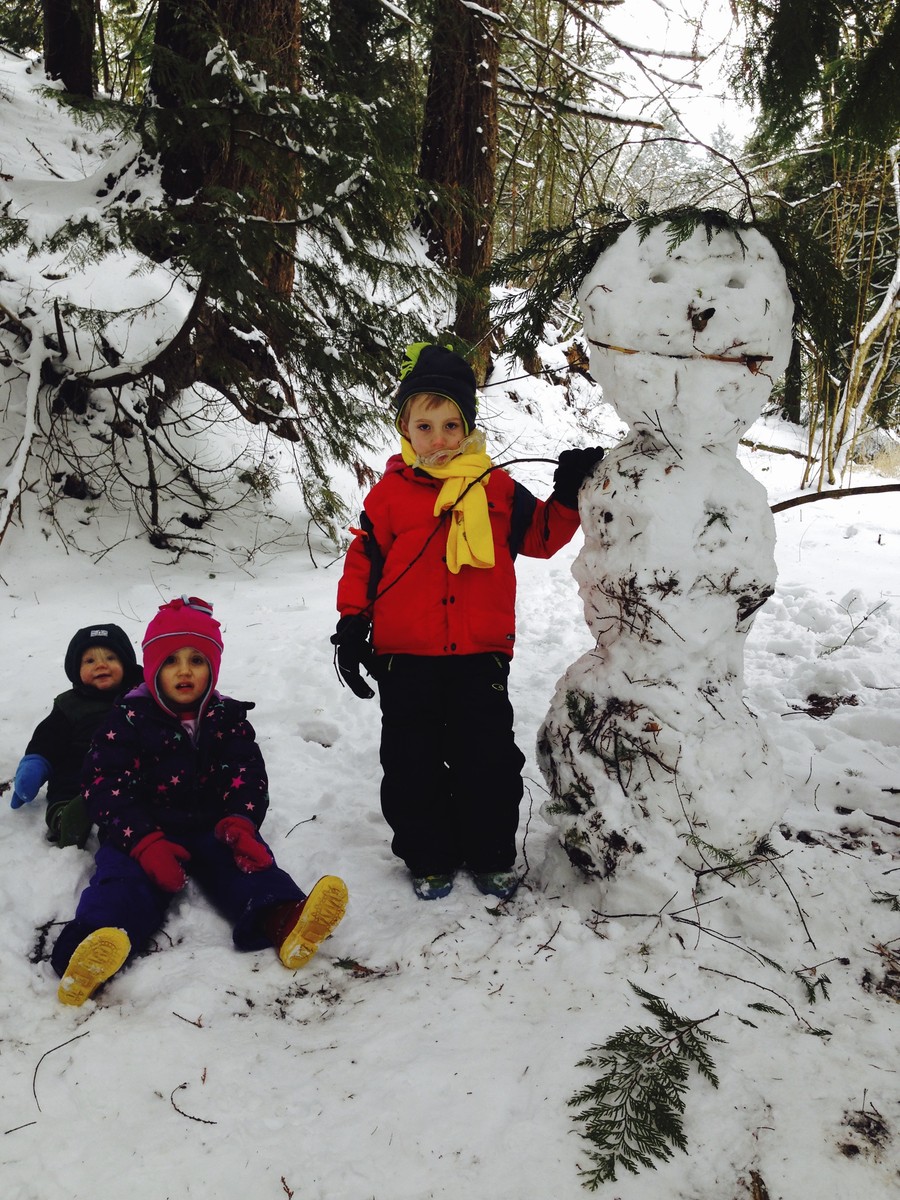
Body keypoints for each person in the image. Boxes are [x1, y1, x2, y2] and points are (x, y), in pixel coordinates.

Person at [331, 342, 604, 901]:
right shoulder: (387, 497)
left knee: (488, 761)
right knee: (412, 764)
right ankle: (428, 855)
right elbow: (364, 559)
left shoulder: (496, 488)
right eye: (424, 426)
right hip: (405, 657)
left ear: (468, 428)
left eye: (451, 425)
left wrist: (569, 491)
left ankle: (489, 853)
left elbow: (542, 536)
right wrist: (352, 625)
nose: (438, 439)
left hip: (479, 655)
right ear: (405, 428)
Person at [51, 596, 348, 1006]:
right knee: (123, 883)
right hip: (144, 829)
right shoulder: (128, 720)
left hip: (212, 825)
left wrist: (241, 822)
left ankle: (284, 919)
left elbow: (247, 775)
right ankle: (89, 951)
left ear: (213, 666)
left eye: (197, 659)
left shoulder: (226, 718)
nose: (185, 671)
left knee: (250, 865)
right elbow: (103, 784)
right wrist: (142, 841)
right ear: (153, 667)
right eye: (171, 660)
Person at [10, 623, 143, 847]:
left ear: (126, 664)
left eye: (110, 658)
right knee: (64, 788)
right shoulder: (69, 705)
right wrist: (35, 763)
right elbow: (47, 738)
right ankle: (66, 820)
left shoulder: (140, 698)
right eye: (90, 661)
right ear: (75, 668)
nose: (101, 665)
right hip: (78, 772)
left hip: (128, 773)